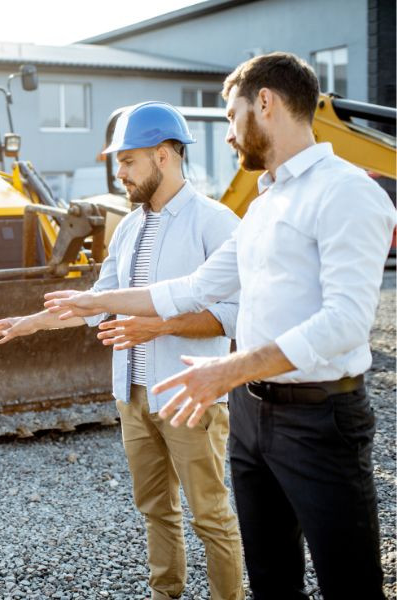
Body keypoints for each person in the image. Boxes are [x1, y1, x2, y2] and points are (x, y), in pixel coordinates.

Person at [45, 52, 396, 600]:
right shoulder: (264, 205)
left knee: (348, 583)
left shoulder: (346, 192)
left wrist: (227, 368)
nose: (229, 135)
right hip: (253, 416)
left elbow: (347, 323)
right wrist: (91, 301)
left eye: (232, 117)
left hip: (321, 418)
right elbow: (192, 287)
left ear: (265, 103)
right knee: (272, 580)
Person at [0, 102, 244, 600]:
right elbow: (96, 302)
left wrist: (156, 328)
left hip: (190, 396)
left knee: (210, 515)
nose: (118, 173)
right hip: (132, 396)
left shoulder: (215, 222)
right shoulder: (127, 228)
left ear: (164, 156)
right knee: (155, 511)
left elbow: (232, 316)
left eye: (128, 161)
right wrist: (30, 324)